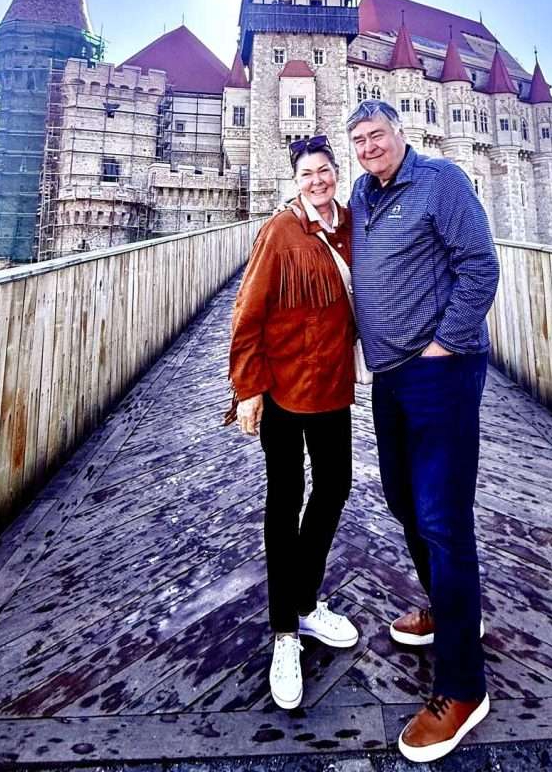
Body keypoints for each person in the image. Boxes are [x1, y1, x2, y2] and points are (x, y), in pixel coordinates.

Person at [346, 99, 500, 763]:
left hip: (440, 372)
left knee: (441, 517)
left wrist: (445, 345)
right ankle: (448, 606)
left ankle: (463, 687)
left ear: (400, 133)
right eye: (358, 139)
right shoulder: (361, 192)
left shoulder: (440, 181)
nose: (369, 147)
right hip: (389, 377)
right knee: (404, 502)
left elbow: (479, 267)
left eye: (377, 134)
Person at [228, 134, 359, 711]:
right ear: (295, 179)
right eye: (307, 173)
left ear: (337, 173)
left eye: (325, 171)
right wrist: (247, 388)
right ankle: (286, 631)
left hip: (332, 386)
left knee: (334, 487)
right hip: (282, 389)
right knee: (285, 501)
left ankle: (306, 603)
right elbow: (247, 311)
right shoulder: (280, 232)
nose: (317, 181)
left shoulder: (353, 224)